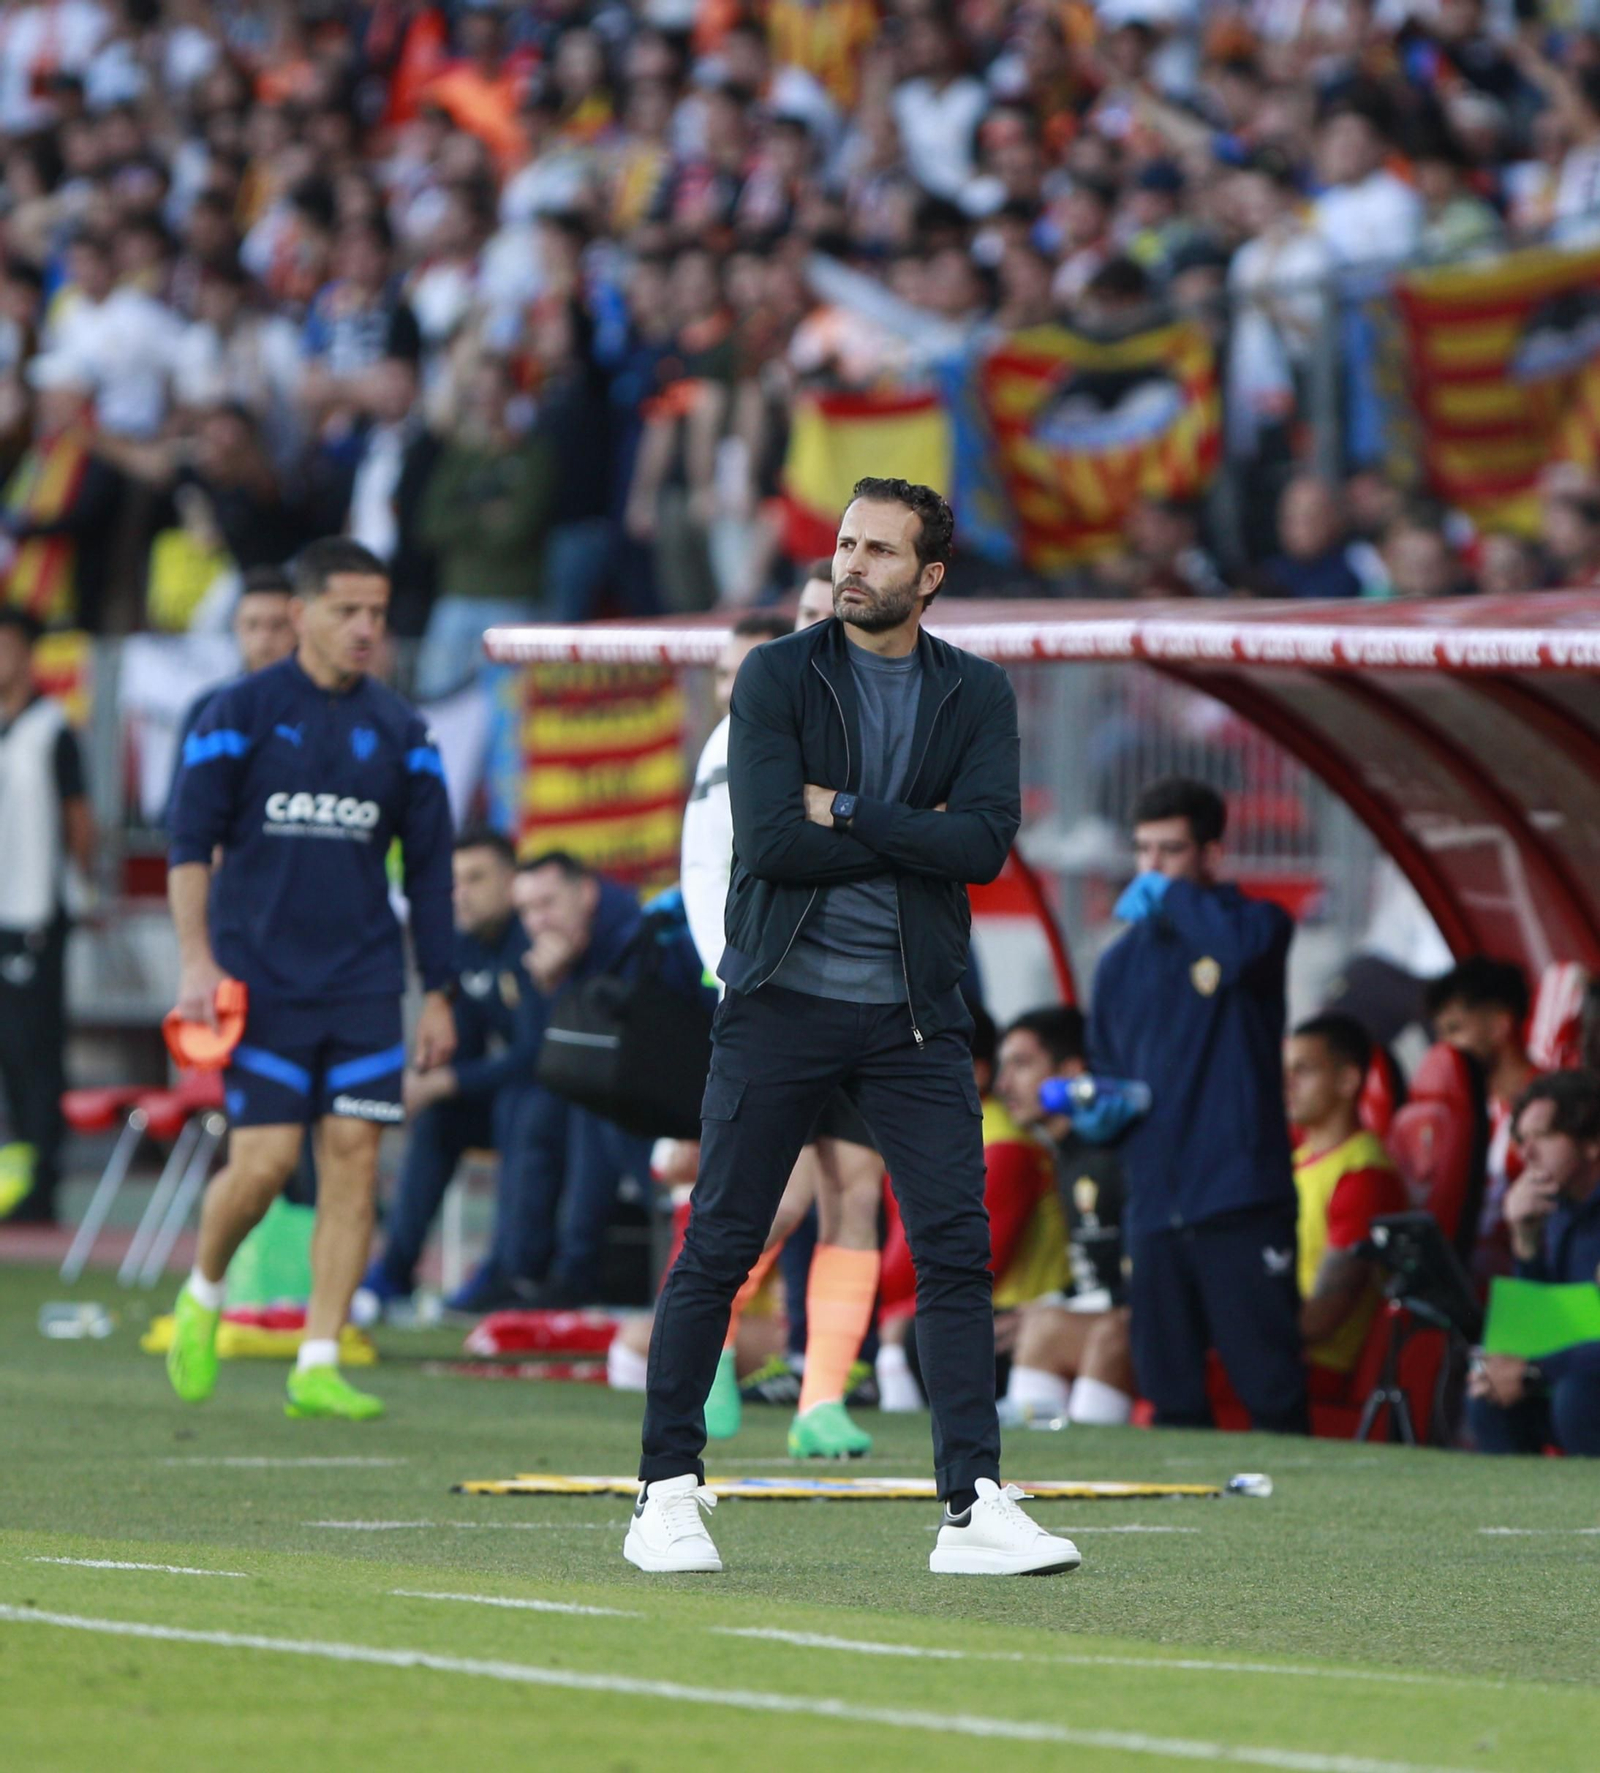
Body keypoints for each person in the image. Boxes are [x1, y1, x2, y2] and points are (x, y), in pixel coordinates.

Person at [627, 476, 1080, 1579]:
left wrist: (858, 813)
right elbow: (774, 842)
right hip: (779, 998)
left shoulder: (974, 694)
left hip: (915, 1016)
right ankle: (665, 1491)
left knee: (954, 1251)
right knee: (721, 1241)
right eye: (845, 543)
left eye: (879, 550)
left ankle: (971, 1505)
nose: (851, 564)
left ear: (928, 576)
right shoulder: (777, 674)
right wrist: (910, 831)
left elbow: (981, 851)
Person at [163, 536, 457, 1420]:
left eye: (378, 611)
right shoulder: (236, 713)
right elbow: (186, 848)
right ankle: (204, 1290)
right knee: (261, 1166)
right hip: (260, 980)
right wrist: (194, 961)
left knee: (355, 1162)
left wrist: (435, 988)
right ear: (301, 614)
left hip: (365, 985)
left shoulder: (404, 732)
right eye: (347, 611)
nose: (368, 627)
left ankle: (318, 1358)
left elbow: (434, 873)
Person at [678, 590, 887, 1457]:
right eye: (808, 604)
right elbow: (705, 858)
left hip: (868, 988)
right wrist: (729, 968)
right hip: (770, 989)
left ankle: (820, 1401)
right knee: (776, 1196)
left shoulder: (885, 717)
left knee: (856, 1189)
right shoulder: (750, 726)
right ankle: (711, 1343)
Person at [1089, 776, 1308, 1434]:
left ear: (1211, 854)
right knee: (1171, 1397)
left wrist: (1179, 899)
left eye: (1172, 851)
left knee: (1269, 1387)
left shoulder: (1257, 926)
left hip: (1239, 1198)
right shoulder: (1119, 963)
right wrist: (1100, 1109)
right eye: (1143, 851)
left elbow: (1237, 955)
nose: (1152, 869)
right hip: (1155, 1206)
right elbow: (1106, 1067)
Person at [357, 826, 545, 1318]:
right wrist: (428, 1078)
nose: (460, 893)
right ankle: (391, 1275)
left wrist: (446, 1081)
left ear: (511, 882)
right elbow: (461, 1046)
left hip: (559, 1101)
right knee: (441, 1118)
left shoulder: (532, 940)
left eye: (476, 878)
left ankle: (505, 1270)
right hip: (510, 1096)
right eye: (454, 881)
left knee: (516, 1103)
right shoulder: (464, 948)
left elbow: (537, 1054)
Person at [508, 850, 709, 1309]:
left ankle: (571, 1271)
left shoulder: (633, 930)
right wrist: (552, 987)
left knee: (594, 1106)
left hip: (691, 1082)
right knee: (543, 1113)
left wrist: (563, 987)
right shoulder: (565, 945)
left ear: (586, 892)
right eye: (525, 910)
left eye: (547, 903)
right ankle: (532, 1270)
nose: (537, 921)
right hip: (653, 1082)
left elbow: (612, 1049)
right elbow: (545, 1057)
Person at [878, 1008, 1074, 1413]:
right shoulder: (932, 1138)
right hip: (990, 1317)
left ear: (973, 1072)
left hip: (1013, 1322)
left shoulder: (1003, 1145)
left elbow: (954, 1262)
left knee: (918, 1330)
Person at [993, 1006, 1134, 1427]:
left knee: (1050, 1327)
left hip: (1135, 1323)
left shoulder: (1113, 1157)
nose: (1004, 1084)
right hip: (1095, 1310)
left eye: (1021, 1064)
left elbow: (1134, 1280)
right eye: (1003, 1067)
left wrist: (1051, 1310)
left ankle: (1087, 1451)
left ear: (1071, 1071)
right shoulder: (1065, 1157)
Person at [0, 607, 95, 1223]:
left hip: (34, 911)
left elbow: (79, 820)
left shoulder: (51, 728)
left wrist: (80, 886)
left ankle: (43, 1186)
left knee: (35, 1054)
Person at [1468, 1072, 1600, 1457]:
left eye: (1542, 1137)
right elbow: (1549, 1323)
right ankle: (1513, 1513)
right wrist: (1525, 1242)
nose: (1526, 1154)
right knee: (1489, 1397)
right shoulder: (1556, 1211)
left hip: (1582, 1385)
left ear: (1592, 1142)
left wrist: (1533, 1371)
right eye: (1521, 1141)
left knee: (1577, 1398)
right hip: (1575, 1369)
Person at [1283, 1014, 1407, 1397]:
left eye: (1302, 1070)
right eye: (1285, 1070)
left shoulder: (1364, 1175)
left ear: (1348, 1081)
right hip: (1272, 1349)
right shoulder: (1295, 1159)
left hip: (1311, 1367)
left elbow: (1321, 1319)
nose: (1287, 1084)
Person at [1425, 956, 1537, 1282]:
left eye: (1455, 1030)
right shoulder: (1462, 1115)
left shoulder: (1555, 1106)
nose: (1445, 1049)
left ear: (1500, 1025)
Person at [168, 564, 296, 814]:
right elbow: (180, 808)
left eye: (278, 626)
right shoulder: (208, 709)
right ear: (236, 628)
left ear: (300, 628)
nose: (264, 641)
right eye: (252, 625)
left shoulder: (324, 705)